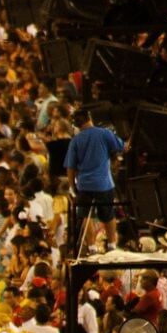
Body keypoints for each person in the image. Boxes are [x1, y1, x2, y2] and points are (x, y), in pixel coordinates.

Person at [62, 108, 125, 255]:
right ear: (89, 117)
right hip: (104, 184)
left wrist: (72, 187)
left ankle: (91, 247)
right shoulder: (104, 133)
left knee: (85, 215)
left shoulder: (75, 141)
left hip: (84, 185)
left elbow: (70, 168)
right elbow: (121, 146)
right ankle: (111, 245)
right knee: (108, 214)